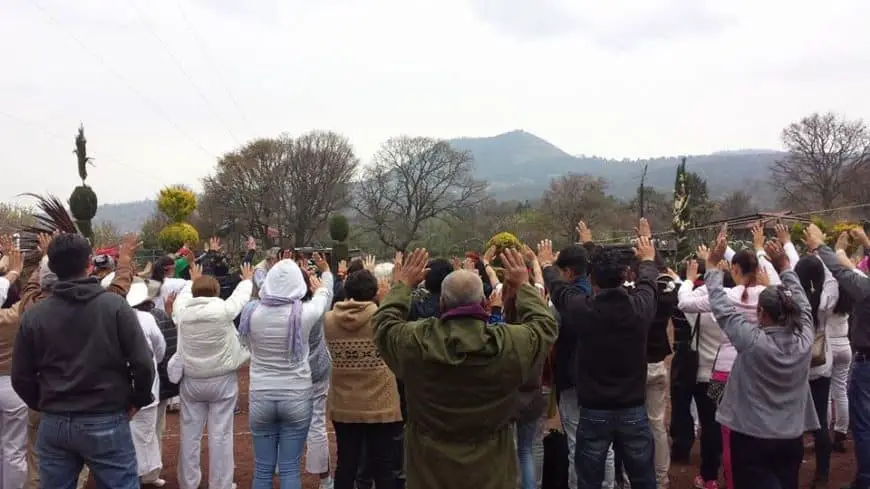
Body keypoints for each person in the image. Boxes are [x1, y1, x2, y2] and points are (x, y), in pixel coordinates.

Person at [373, 248, 557, 489]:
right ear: (483, 302)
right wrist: (523, 284)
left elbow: (383, 325)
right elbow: (545, 326)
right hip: (491, 470)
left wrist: (403, 285)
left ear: (441, 302)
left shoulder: (416, 342)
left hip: (430, 468)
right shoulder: (509, 344)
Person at [11, 233, 155, 489]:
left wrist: (44, 403)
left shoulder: (34, 315)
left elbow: (21, 376)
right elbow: (143, 363)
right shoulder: (115, 306)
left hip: (56, 420)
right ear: (89, 263)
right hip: (105, 416)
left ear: (52, 267)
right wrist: (137, 400)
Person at [542, 218, 658, 489]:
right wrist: (649, 258)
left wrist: (547, 264)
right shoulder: (640, 308)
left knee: (589, 480)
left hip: (593, 409)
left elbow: (559, 290)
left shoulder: (583, 310)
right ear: (623, 275)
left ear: (591, 278)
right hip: (633, 408)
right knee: (643, 479)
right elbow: (649, 282)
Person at [707, 236, 819, 489]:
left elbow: (721, 307)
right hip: (791, 435)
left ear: (761, 314)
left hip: (751, 435)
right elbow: (804, 306)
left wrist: (713, 266)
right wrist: (785, 267)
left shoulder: (751, 341)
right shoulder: (805, 340)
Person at [238, 254, 333, 489]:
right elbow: (323, 299)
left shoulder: (251, 313)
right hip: (297, 396)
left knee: (262, 469)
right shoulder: (304, 314)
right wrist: (322, 283)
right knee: (290, 468)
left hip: (261, 394)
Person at [172, 262, 254, 489]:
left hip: (192, 381)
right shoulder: (223, 310)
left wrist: (192, 280)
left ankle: (188, 483)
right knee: (221, 435)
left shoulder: (182, 313)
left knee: (190, 434)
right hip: (222, 380)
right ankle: (221, 484)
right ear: (216, 292)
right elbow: (240, 299)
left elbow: (180, 299)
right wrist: (247, 279)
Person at [326, 269, 402, 489]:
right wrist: (388, 299)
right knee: (384, 467)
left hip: (344, 404)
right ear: (375, 291)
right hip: (382, 404)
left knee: (346, 464)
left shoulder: (329, 320)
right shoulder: (382, 319)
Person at [121, 280, 167, 487]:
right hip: (145, 383)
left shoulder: (114, 317)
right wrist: (153, 365)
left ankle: (139, 474)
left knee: (129, 432)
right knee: (146, 432)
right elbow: (160, 348)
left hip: (122, 385)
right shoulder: (147, 319)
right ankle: (146, 474)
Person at [0, 244, 26, 489]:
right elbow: (35, 293)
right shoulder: (17, 316)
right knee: (14, 449)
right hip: (12, 385)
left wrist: (8, 272)